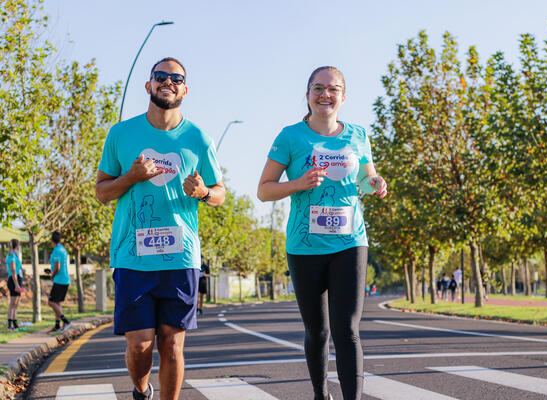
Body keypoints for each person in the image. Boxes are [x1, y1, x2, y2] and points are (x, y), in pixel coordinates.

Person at [96, 57, 225, 400]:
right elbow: (101, 192)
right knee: (140, 345)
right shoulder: (122, 134)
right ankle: (141, 390)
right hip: (132, 256)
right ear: (149, 85)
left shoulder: (198, 138)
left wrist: (204, 193)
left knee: (171, 345)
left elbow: (220, 193)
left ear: (185, 89)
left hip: (180, 258)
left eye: (176, 78)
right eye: (161, 76)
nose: (168, 81)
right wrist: (131, 177)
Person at [257, 66, 387, 400]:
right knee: (318, 330)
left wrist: (375, 184)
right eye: (318, 88)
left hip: (350, 242)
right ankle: (320, 394)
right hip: (304, 245)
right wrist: (298, 184)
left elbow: (364, 181)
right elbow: (264, 190)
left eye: (333, 89)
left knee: (348, 330)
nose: (325, 94)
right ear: (307, 95)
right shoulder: (290, 136)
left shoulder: (357, 134)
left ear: (343, 96)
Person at [48, 231, 71, 333]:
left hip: (59, 280)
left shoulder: (57, 250)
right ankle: (57, 326)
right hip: (64, 279)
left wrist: (52, 275)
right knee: (57, 303)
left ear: (52, 240)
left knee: (51, 302)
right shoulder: (63, 249)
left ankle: (65, 321)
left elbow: (57, 267)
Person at [5, 239, 23, 331]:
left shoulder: (15, 255)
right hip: (13, 281)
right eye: (19, 244)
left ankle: (15, 323)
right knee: (12, 303)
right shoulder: (11, 256)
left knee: (16, 303)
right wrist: (16, 285)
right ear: (17, 245)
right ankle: (10, 324)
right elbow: (12, 271)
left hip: (18, 280)